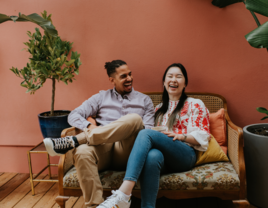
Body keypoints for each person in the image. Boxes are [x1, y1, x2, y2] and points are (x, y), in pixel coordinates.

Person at [43, 60, 155, 208]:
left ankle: (75, 140)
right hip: (103, 147)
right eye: (123, 76)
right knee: (82, 151)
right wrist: (90, 125)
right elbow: (74, 115)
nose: (129, 78)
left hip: (129, 151)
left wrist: (96, 131)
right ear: (112, 80)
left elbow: (147, 132)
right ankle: (95, 206)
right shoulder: (101, 98)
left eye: (130, 74)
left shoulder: (144, 100)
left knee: (134, 119)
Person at [97, 63, 211, 208]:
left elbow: (203, 136)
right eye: (169, 76)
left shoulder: (195, 104)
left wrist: (181, 136)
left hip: (185, 154)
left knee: (146, 133)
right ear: (164, 83)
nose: (173, 80)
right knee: (153, 156)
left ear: (185, 83)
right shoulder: (158, 109)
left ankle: (124, 193)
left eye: (178, 76)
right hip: (164, 158)